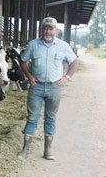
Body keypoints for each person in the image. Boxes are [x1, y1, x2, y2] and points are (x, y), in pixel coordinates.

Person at [18, 16, 79, 160]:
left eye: (50, 29)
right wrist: (29, 75)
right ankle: (25, 149)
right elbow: (23, 60)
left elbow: (75, 61)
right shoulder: (33, 45)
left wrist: (67, 77)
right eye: (45, 28)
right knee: (32, 117)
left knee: (50, 118)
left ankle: (48, 150)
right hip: (36, 87)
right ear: (42, 30)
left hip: (54, 87)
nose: (48, 31)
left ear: (56, 31)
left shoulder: (63, 46)